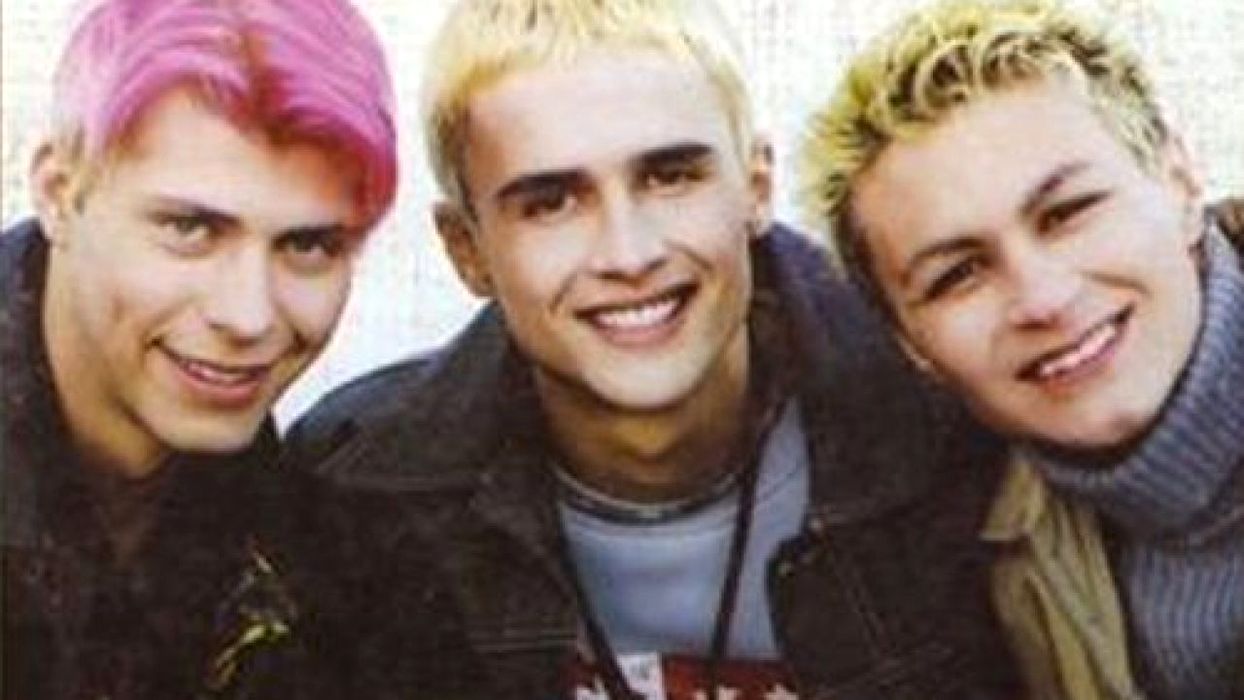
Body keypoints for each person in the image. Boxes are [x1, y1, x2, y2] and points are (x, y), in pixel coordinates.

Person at [285, 0, 1020, 697]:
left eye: (670, 177)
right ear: (466, 249)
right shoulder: (358, 493)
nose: (628, 253)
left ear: (756, 187)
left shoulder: (955, 432)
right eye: (550, 202)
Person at [801, 1, 1244, 697]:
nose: (1043, 298)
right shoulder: (962, 545)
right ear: (909, 344)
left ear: (1181, 183)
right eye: (958, 274)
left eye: (1068, 213)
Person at [1, 0, 396, 697]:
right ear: (60, 194)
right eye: (190, 229)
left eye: (308, 245)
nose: (248, 315)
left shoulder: (315, 537)